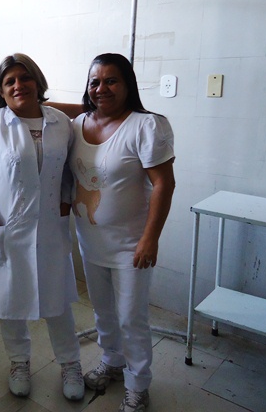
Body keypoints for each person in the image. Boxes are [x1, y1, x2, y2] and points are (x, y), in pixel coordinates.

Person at [0, 53, 85, 401]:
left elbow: (70, 170)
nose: (18, 85)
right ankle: (19, 362)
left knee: (58, 302)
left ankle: (70, 363)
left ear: (37, 81)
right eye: (10, 81)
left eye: (25, 77)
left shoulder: (62, 123)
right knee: (11, 300)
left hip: (50, 228)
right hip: (8, 228)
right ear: (2, 91)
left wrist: (65, 203)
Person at [69, 53, 175, 411]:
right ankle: (112, 361)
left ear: (128, 84)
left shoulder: (146, 126)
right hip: (90, 242)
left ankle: (138, 383)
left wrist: (150, 238)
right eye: (95, 82)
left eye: (111, 80)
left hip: (132, 246)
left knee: (131, 317)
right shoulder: (78, 124)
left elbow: (164, 184)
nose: (102, 88)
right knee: (102, 311)